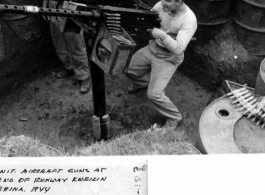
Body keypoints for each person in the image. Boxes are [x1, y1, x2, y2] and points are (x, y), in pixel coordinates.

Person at [126, 0, 197, 133]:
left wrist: (163, 35)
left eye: (168, 1)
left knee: (154, 94)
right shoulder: (162, 4)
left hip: (169, 57)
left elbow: (178, 48)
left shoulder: (189, 20)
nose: (163, 3)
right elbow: (150, 19)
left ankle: (174, 118)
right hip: (153, 47)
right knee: (128, 68)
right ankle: (142, 83)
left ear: (179, 1)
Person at [43, 0, 91, 94]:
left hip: (71, 5)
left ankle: (83, 75)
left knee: (75, 42)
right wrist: (45, 5)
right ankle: (68, 66)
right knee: (58, 40)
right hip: (53, 5)